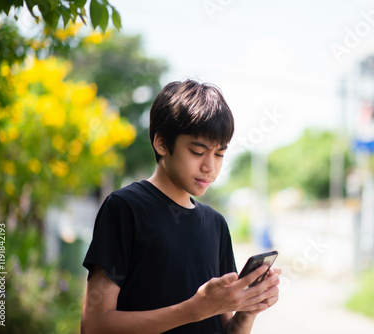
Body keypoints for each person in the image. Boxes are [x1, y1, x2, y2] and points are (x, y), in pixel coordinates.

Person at [81, 79, 281, 334]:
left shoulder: (216, 224)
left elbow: (223, 327)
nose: (210, 166)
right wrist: (194, 310)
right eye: (198, 151)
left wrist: (247, 312)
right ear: (162, 143)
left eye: (219, 154)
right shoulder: (125, 208)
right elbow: (93, 326)